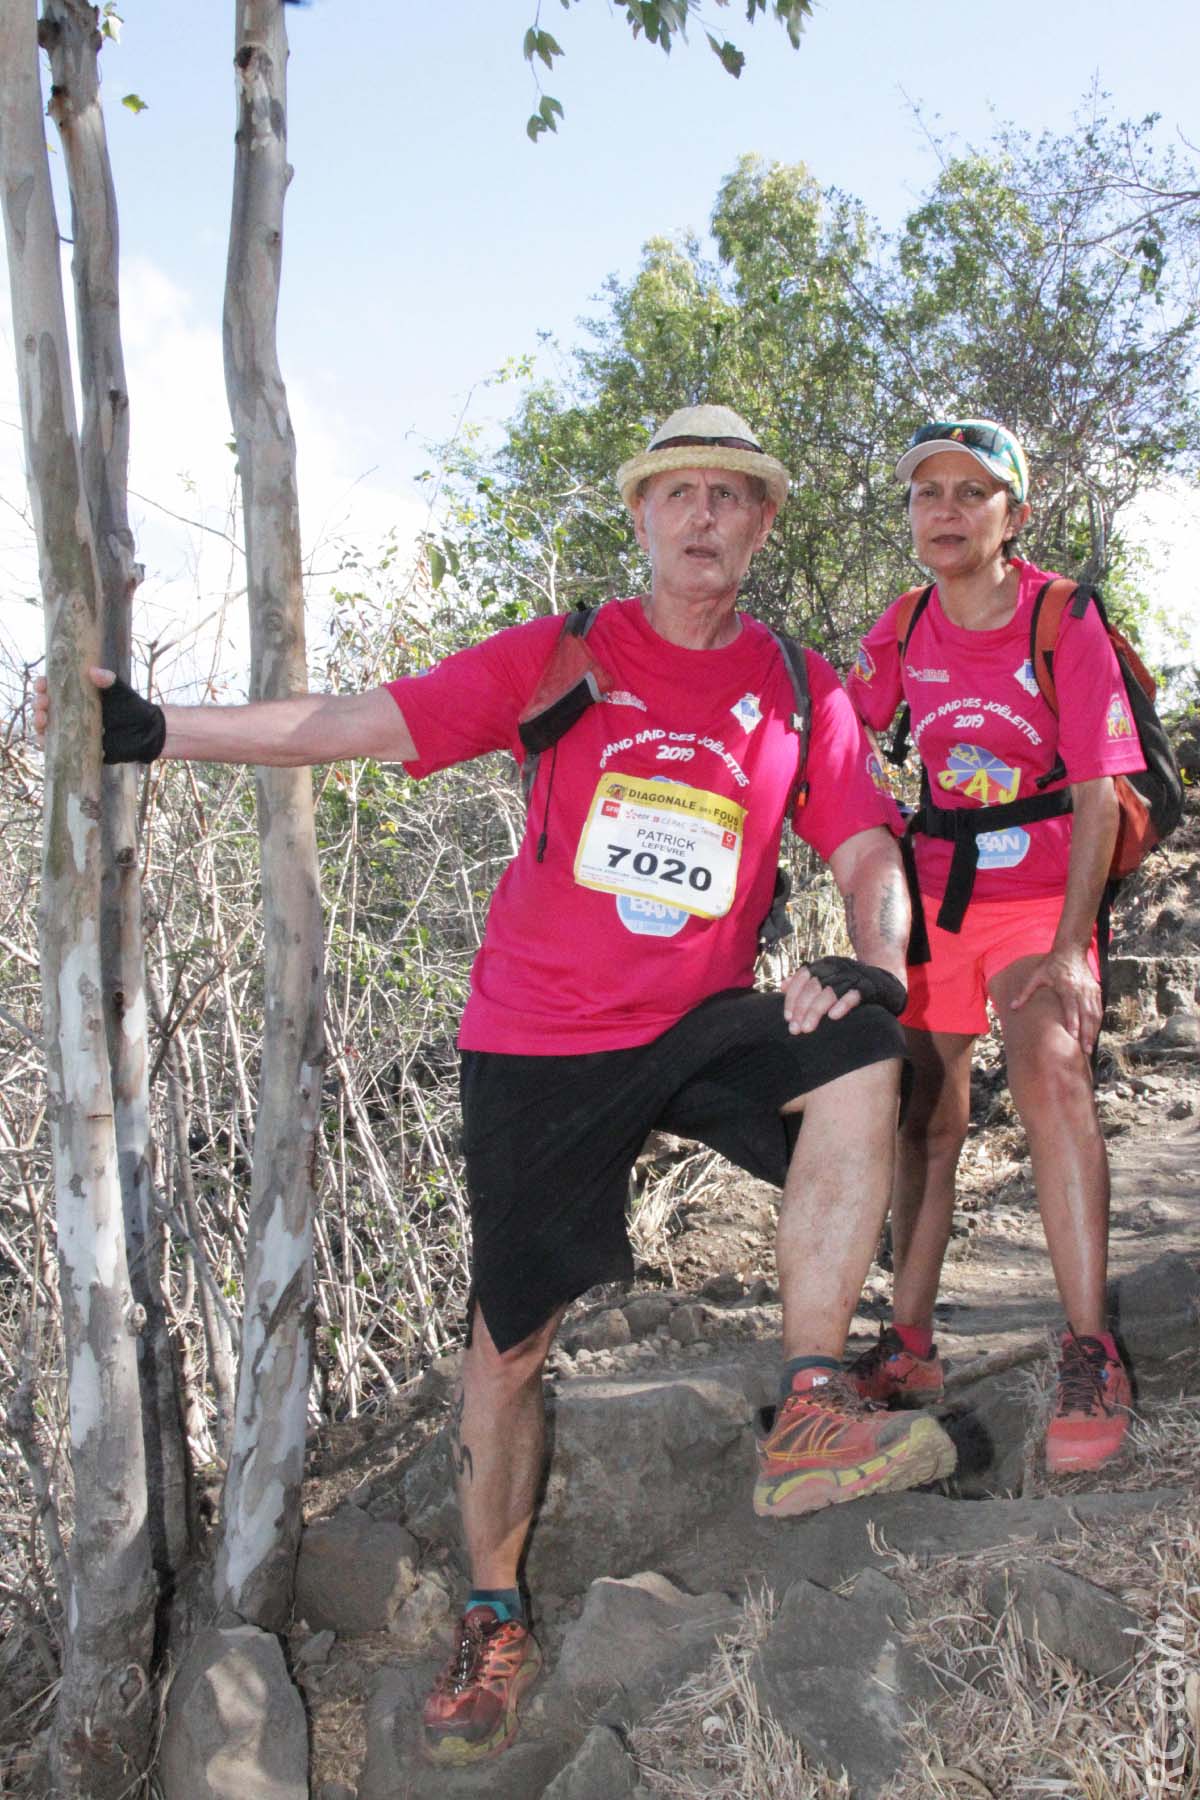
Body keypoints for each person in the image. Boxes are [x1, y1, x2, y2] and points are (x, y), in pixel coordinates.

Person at [37, 403, 956, 1765]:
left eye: (732, 495)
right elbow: (360, 719)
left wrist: (868, 960)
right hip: (539, 1041)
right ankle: (490, 1610)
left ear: (764, 524)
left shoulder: (802, 688)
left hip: (700, 1018)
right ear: (641, 519)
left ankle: (812, 1398)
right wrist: (161, 730)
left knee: (867, 1050)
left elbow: (870, 848)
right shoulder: (566, 656)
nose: (704, 515)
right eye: (678, 493)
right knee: (510, 1344)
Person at [845, 418, 1145, 1477]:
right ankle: (912, 1344)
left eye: (972, 493)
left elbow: (1102, 794)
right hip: (937, 897)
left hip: (1042, 894)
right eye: (929, 492)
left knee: (1049, 1071)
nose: (946, 512)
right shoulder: (904, 625)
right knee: (920, 1113)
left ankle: (1088, 1349)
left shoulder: (1061, 619)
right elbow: (844, 743)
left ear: (1013, 515)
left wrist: (1071, 953)